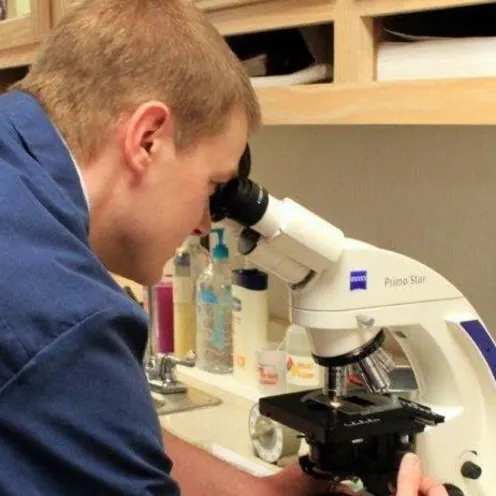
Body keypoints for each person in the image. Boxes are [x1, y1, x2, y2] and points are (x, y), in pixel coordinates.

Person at [0, 0, 447, 494]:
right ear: (147, 139)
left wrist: (260, 491)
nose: (204, 224)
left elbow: (93, 435)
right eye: (214, 186)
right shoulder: (65, 317)